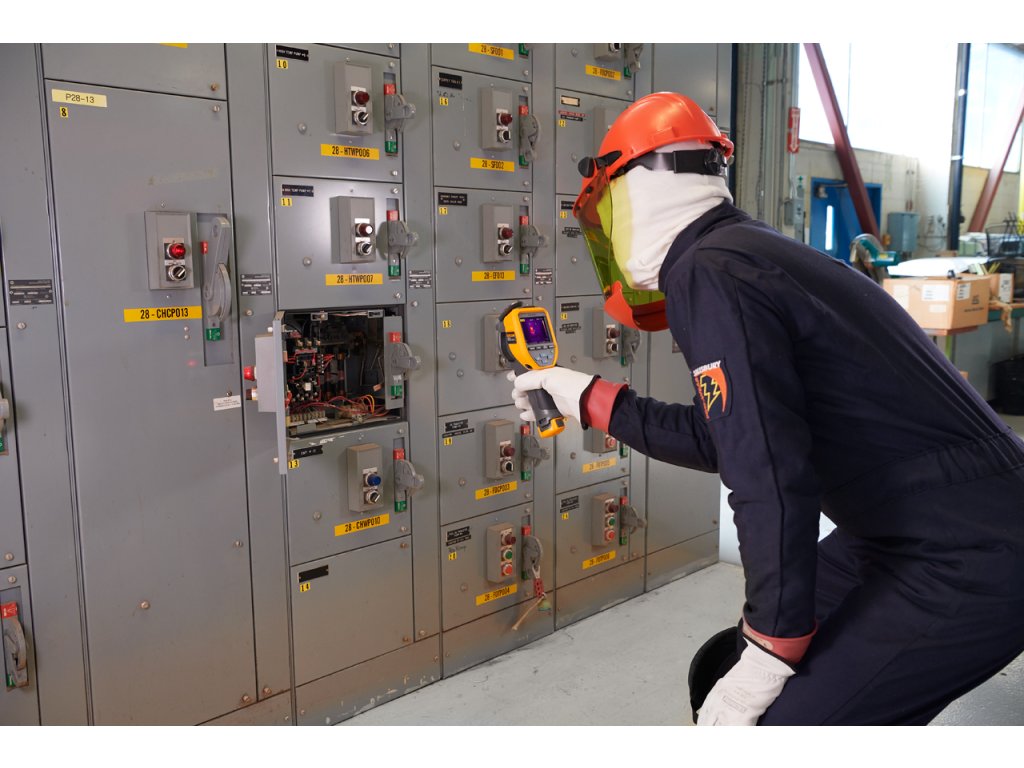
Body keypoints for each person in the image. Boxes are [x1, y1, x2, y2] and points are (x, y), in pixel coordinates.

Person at [508, 92, 1024, 725]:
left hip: (966, 550)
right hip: (913, 525)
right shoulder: (746, 252)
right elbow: (726, 436)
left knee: (776, 724)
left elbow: (767, 473)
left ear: (630, 191)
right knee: (722, 665)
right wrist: (586, 396)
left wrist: (774, 645)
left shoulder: (708, 270)